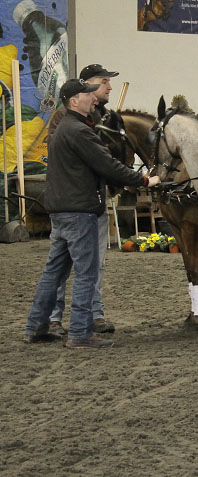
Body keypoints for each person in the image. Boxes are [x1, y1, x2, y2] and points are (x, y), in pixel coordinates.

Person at [23, 79, 159, 348]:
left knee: (54, 272)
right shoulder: (80, 131)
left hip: (61, 210)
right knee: (87, 274)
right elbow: (107, 165)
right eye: (88, 95)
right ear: (74, 101)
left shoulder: (65, 128)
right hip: (80, 212)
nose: (94, 98)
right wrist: (144, 181)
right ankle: (80, 333)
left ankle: (36, 327)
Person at [46, 63, 120, 338]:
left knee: (96, 263)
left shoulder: (107, 117)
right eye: (103, 82)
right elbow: (70, 157)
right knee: (63, 265)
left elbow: (115, 157)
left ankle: (95, 313)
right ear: (87, 87)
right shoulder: (64, 120)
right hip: (74, 203)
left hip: (95, 200)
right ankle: (54, 318)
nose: (108, 87)